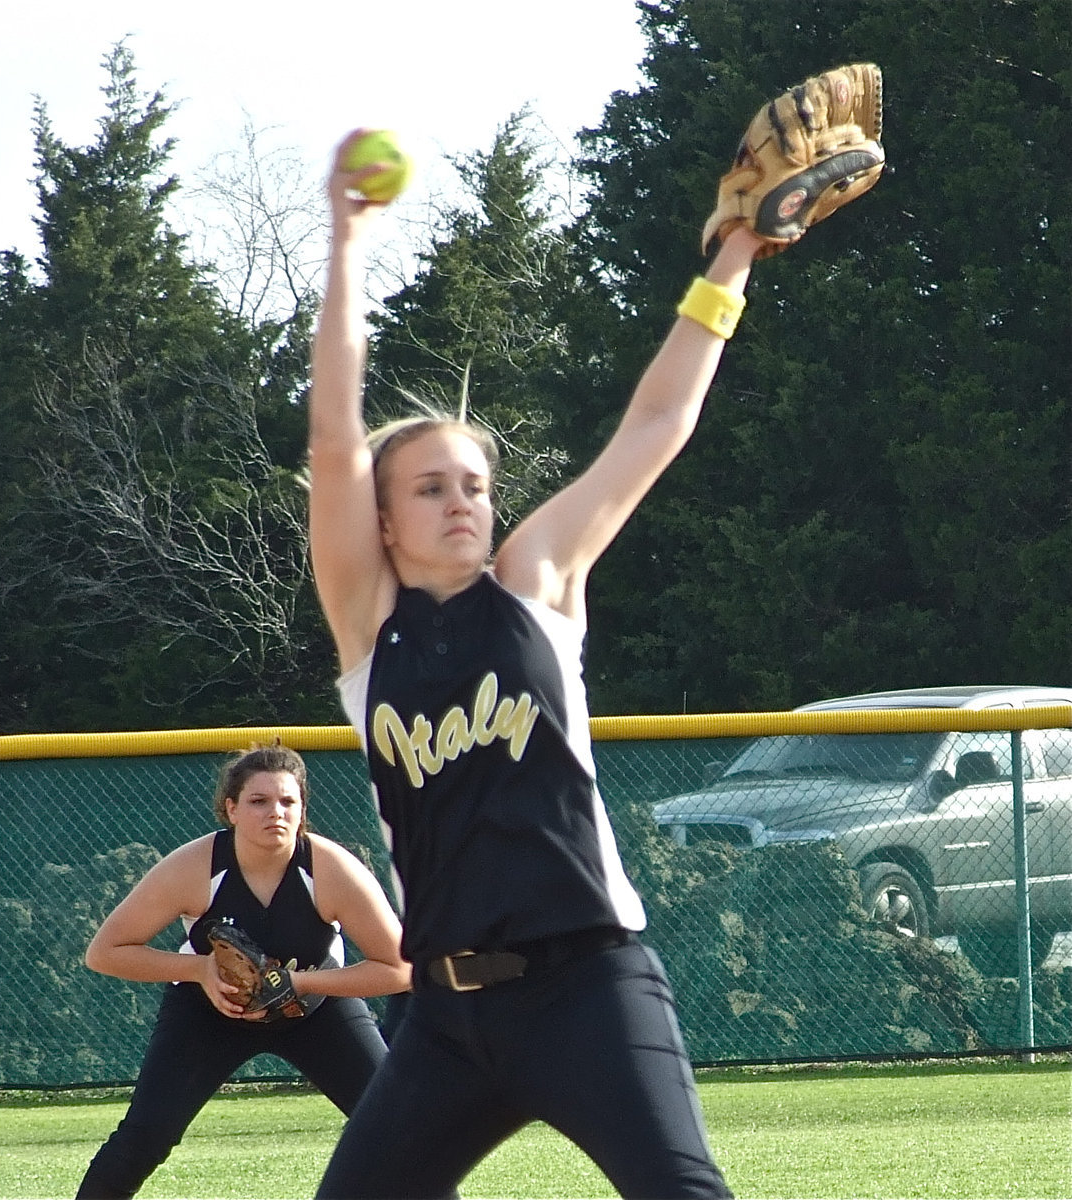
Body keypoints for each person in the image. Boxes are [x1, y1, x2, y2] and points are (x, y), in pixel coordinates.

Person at [309, 78, 880, 1196]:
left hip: (587, 988)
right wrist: (344, 244)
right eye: (430, 488)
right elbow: (335, 445)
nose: (463, 500)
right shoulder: (369, 627)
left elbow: (654, 427)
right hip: (443, 1020)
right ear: (383, 520)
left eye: (474, 482)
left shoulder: (532, 578)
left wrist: (727, 264)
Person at [76, 743, 411, 1200]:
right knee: (145, 1137)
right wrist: (200, 969)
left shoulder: (331, 869)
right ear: (230, 809)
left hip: (313, 1009)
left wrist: (301, 983)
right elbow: (105, 951)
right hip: (209, 1010)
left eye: (288, 801)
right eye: (259, 801)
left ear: (303, 809)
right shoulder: (195, 867)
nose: (276, 812)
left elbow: (399, 968)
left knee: (398, 1131)